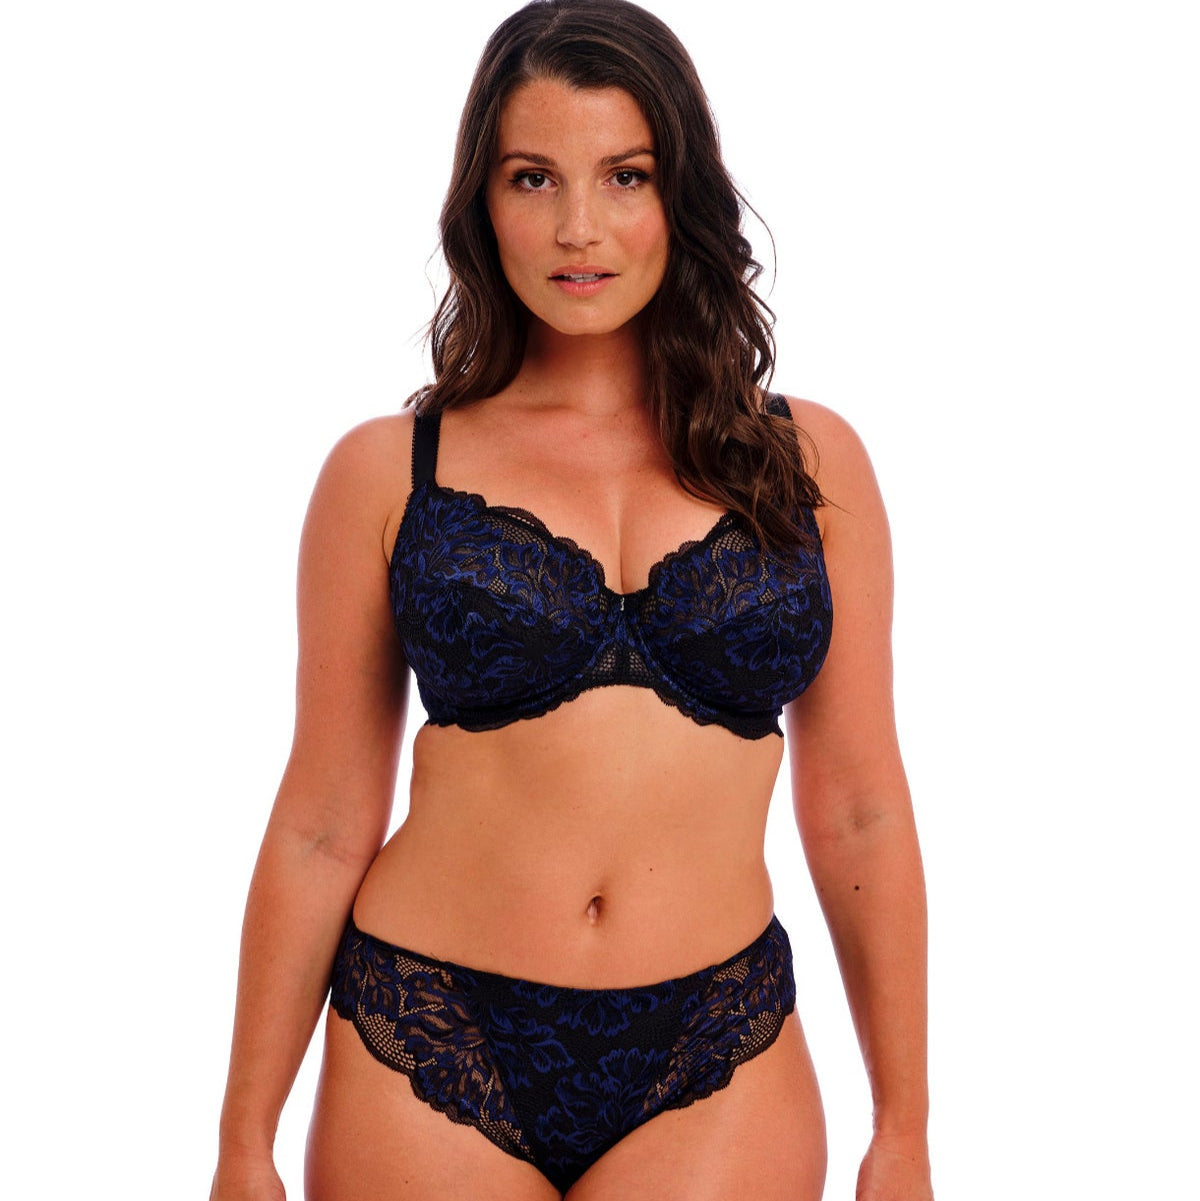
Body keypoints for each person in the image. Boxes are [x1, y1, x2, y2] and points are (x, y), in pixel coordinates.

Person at [211, 1, 932, 1198]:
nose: (577, 227)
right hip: (426, 1030)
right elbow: (324, 820)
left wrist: (903, 1126)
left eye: (625, 176)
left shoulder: (809, 464)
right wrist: (244, 1142)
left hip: (717, 1043)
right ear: (481, 203)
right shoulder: (387, 473)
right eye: (533, 178)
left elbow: (858, 808)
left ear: (680, 195)